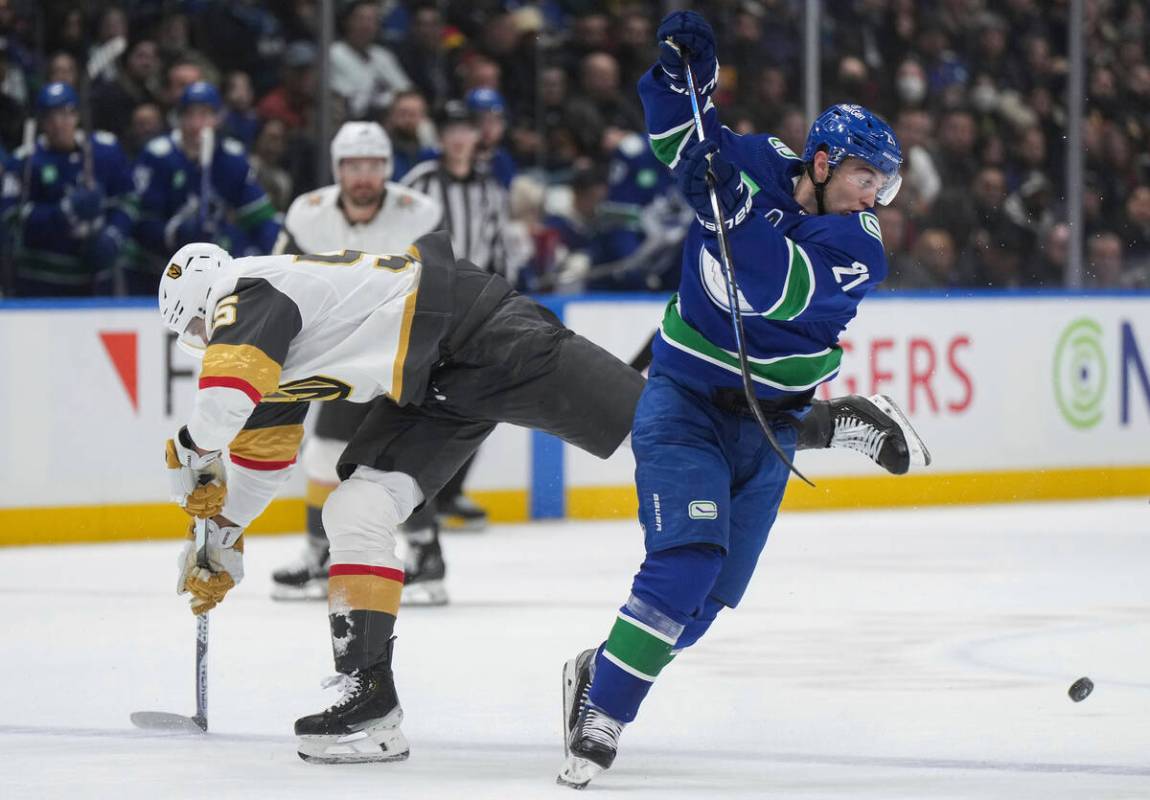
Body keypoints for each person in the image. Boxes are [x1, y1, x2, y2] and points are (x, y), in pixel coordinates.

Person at [557, 12, 928, 789]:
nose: (875, 197)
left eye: (882, 185)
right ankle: (605, 713)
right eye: (867, 177)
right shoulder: (759, 161)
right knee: (687, 563)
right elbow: (679, 143)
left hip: (771, 428)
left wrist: (727, 213)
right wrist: (679, 82)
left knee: (707, 605)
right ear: (822, 162)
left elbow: (775, 290)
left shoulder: (860, 248)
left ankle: (603, 666)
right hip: (684, 402)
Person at [158, 233, 646, 763]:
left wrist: (191, 450)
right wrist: (222, 534)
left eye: (199, 329)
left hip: (481, 330)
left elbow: (222, 404)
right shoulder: (266, 354)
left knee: (653, 427)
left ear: (209, 304)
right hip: (429, 387)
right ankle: (370, 704)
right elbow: (261, 464)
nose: (206, 343)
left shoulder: (246, 289)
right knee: (355, 510)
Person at [268, 121, 446, 604]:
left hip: (405, 350)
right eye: (353, 166)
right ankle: (320, 552)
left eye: (373, 166)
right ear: (337, 170)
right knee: (325, 452)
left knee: (401, 456)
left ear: (387, 168)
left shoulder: (419, 213)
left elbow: (446, 285)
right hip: (342, 353)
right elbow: (281, 281)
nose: (364, 177)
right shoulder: (308, 214)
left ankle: (427, 555)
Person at [401, 99, 517, 530]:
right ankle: (411, 491)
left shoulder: (489, 187)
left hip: (475, 307)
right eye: (451, 130)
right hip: (423, 305)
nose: (458, 138)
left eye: (466, 129)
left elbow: (500, 245)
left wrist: (507, 295)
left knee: (479, 396)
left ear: (476, 135)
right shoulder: (420, 181)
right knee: (415, 396)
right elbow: (401, 240)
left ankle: (449, 492)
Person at [132, 81, 280, 294]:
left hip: (214, 274)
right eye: (190, 115)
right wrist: (173, 232)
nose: (196, 124)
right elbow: (141, 222)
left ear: (218, 118)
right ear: (178, 118)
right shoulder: (158, 156)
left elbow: (261, 219)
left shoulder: (232, 158)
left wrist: (269, 261)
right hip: (161, 271)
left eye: (205, 115)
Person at [0, 82, 133, 296]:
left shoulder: (106, 151)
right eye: (50, 117)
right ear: (41, 123)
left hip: (96, 281)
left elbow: (127, 200)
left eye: (65, 114)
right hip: (41, 282)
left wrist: (114, 234)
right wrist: (61, 214)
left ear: (77, 115)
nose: (58, 123)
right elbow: (9, 218)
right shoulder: (24, 161)